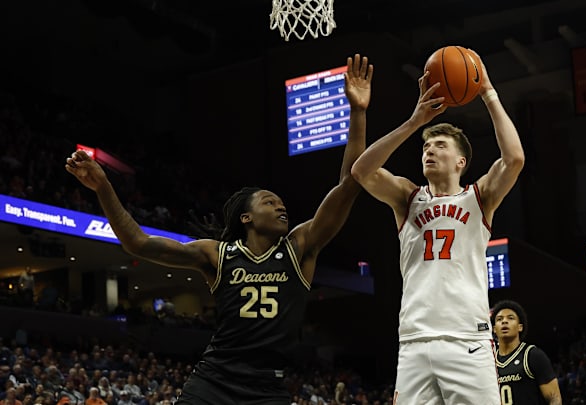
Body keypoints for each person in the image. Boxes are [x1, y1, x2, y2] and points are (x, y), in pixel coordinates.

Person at [65, 53, 373, 405]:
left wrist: (358, 112)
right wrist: (104, 187)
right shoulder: (217, 253)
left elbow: (350, 184)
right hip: (213, 383)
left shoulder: (300, 246)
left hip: (267, 387)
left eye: (281, 203)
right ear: (247, 218)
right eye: (269, 202)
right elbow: (137, 243)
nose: (281, 206)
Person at [351, 55, 524, 404]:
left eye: (439, 145)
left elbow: (515, 159)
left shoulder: (480, 196)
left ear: (461, 161)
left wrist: (487, 91)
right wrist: (415, 123)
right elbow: (361, 171)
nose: (429, 150)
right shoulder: (406, 197)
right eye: (426, 146)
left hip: (467, 339)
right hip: (415, 340)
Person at [491, 300, 562, 405]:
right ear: (494, 329)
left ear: (520, 327)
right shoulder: (489, 360)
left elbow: (554, 398)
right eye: (499, 319)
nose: (504, 321)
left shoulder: (533, 355)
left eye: (510, 318)